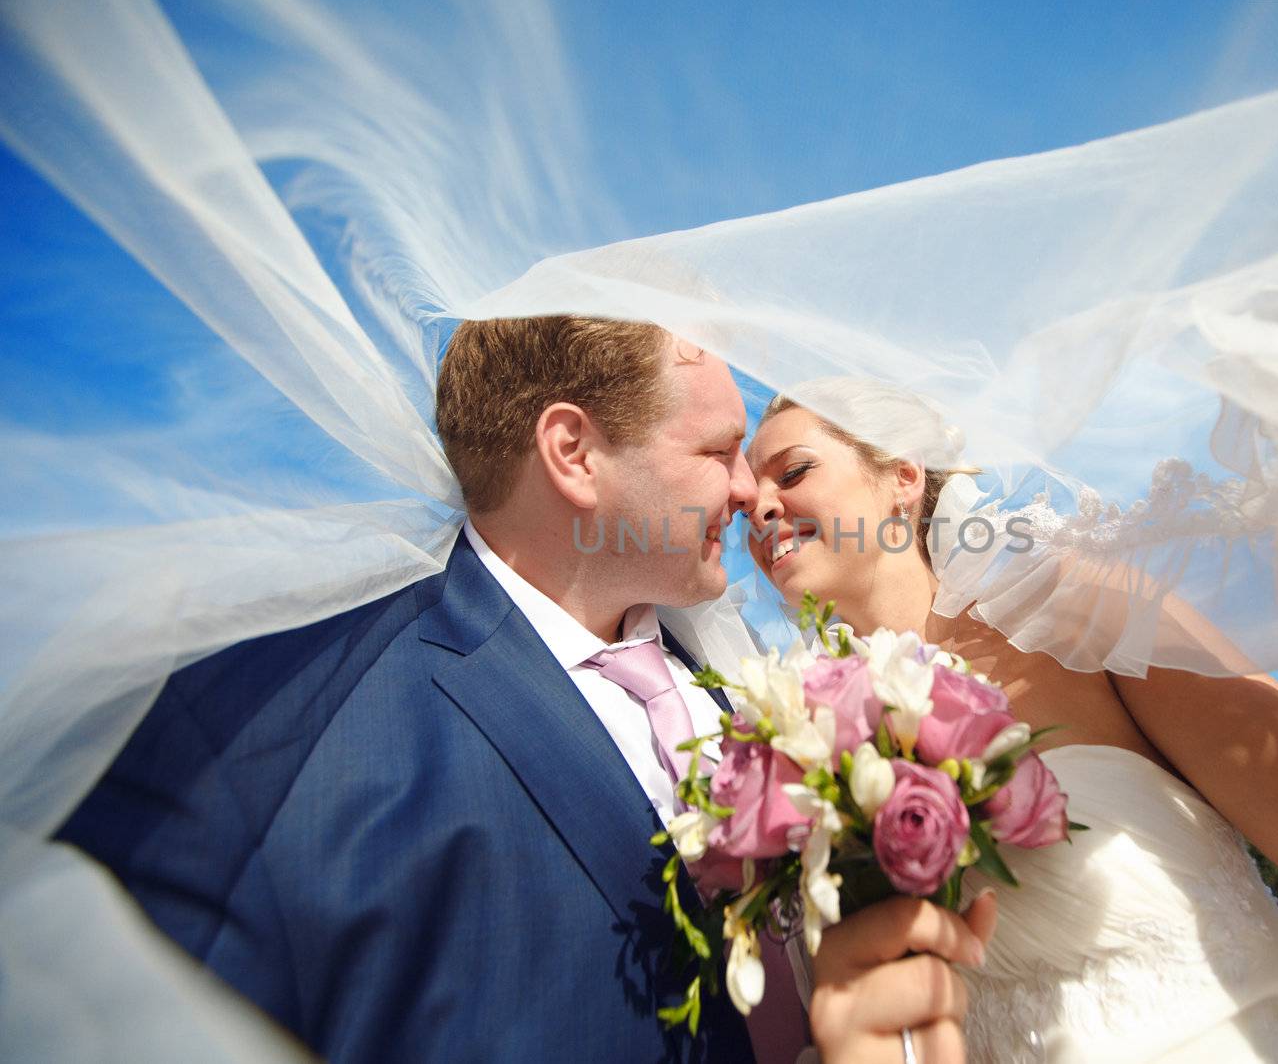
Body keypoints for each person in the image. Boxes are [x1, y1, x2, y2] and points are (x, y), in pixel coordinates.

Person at [740, 80, 1278, 1059]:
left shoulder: (1073, 611)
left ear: (901, 477)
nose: (756, 505)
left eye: (792, 469)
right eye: (742, 494)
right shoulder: (780, 744)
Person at [53, 315, 992, 1064]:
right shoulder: (258, 743)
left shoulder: (754, 689)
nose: (750, 490)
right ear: (574, 454)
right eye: (719, 450)